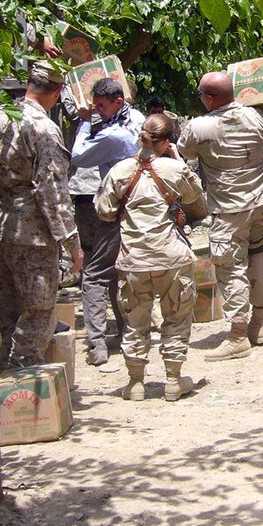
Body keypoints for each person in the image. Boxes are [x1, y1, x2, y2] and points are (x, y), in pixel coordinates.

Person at [95, 114, 207, 401]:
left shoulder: (120, 171)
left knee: (134, 322)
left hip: (134, 260)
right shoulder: (174, 169)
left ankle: (135, 383)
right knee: (177, 318)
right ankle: (173, 380)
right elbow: (195, 199)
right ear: (167, 141)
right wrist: (177, 159)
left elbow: (104, 212)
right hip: (172, 257)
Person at [0, 61, 84, 368]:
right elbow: (52, 191)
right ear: (58, 91)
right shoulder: (43, 129)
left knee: (6, 306)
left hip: (0, 227)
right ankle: (22, 381)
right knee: (38, 309)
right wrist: (71, 242)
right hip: (33, 234)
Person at [178, 71, 263, 359]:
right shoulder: (258, 118)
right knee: (258, 256)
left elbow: (184, 151)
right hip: (262, 202)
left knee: (230, 269)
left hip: (229, 210)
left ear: (210, 98)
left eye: (201, 95)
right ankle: (258, 326)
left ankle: (238, 335)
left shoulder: (200, 127)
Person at [70, 78, 145, 366]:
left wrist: (86, 123)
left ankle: (97, 344)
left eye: (102, 106)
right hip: (142, 209)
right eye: (96, 107)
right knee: (126, 272)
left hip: (115, 210)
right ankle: (129, 332)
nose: (98, 110)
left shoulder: (112, 135)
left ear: (117, 101)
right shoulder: (138, 120)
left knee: (95, 275)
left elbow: (78, 157)